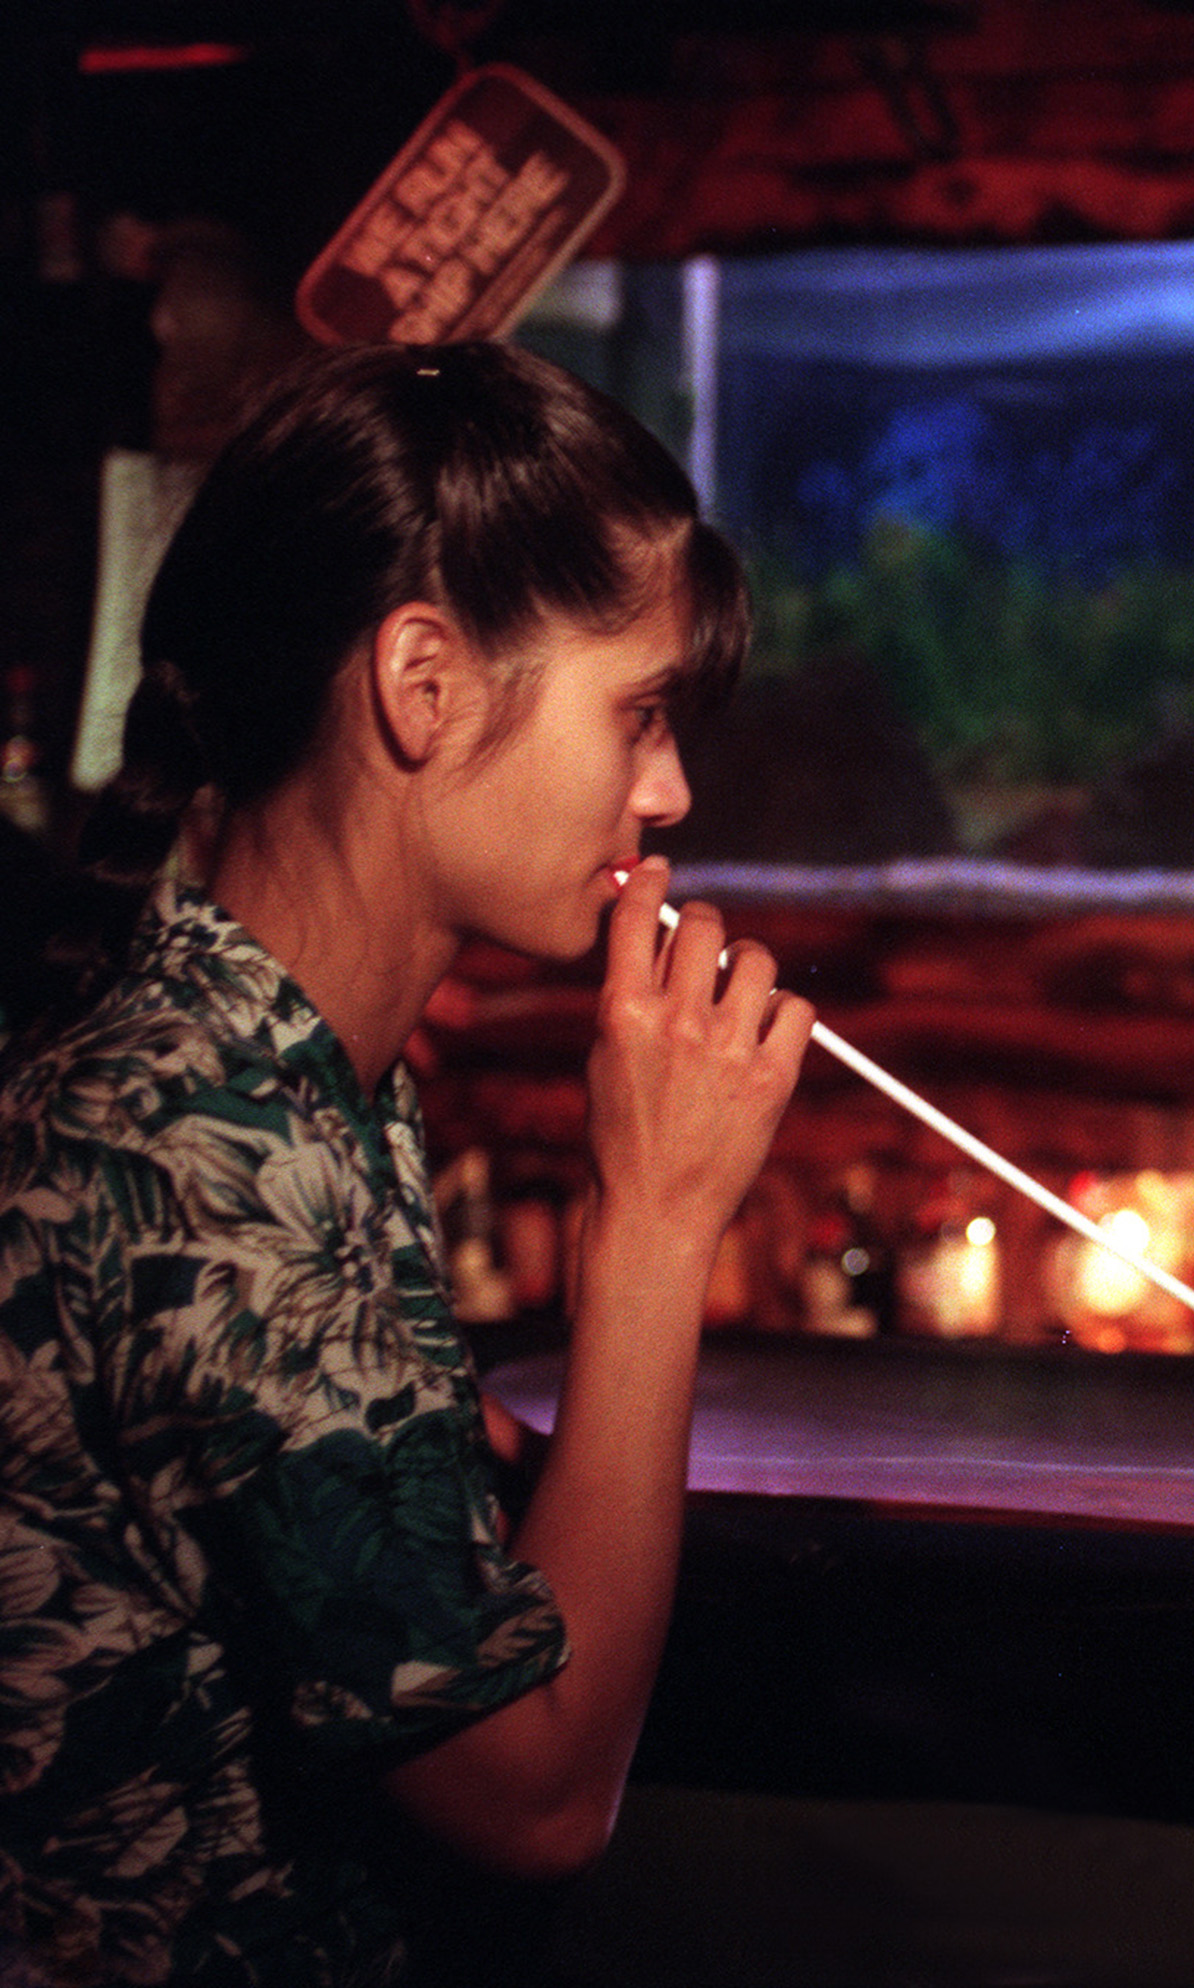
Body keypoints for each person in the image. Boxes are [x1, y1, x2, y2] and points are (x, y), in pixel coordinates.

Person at [0, 340, 813, 1985]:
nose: (669, 788)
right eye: (638, 712)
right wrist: (656, 1218)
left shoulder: (304, 1082)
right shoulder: (196, 1144)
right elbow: (534, 1799)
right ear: (423, 684)